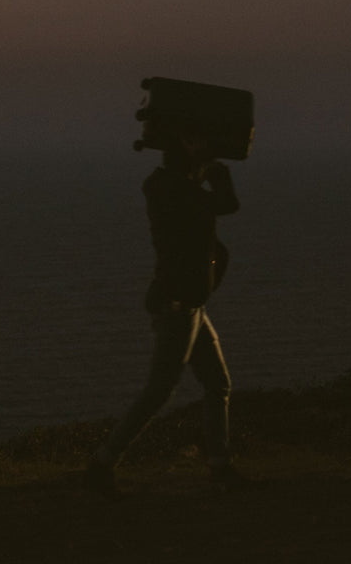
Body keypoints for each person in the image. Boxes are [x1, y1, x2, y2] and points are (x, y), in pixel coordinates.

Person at [85, 123, 248, 496]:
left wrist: (202, 163)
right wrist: (216, 170)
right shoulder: (174, 191)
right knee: (160, 390)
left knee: (217, 383)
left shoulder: (172, 187)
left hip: (190, 305)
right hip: (180, 307)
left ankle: (220, 466)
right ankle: (102, 463)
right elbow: (226, 204)